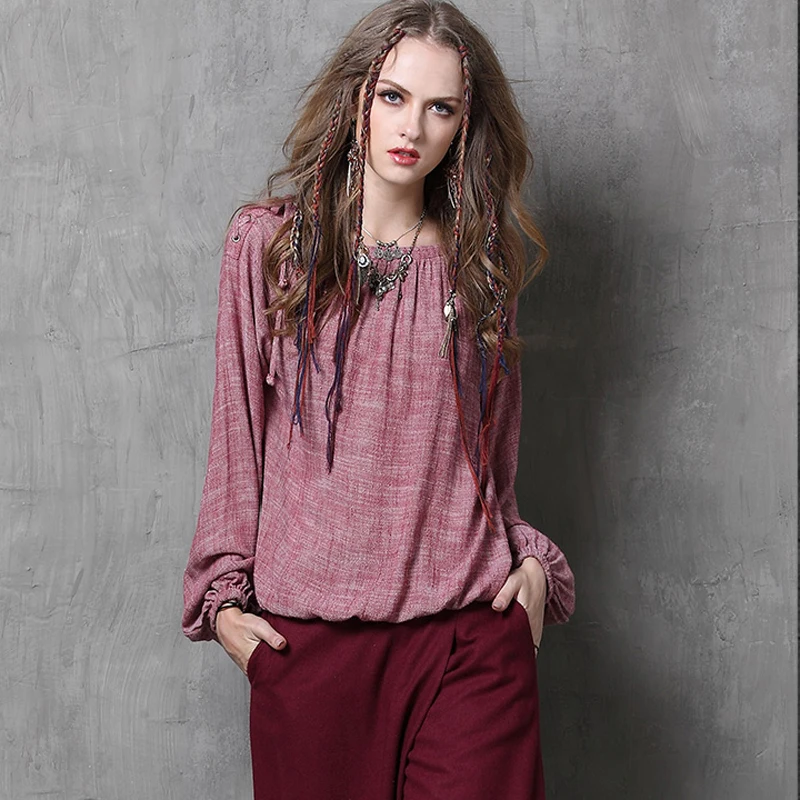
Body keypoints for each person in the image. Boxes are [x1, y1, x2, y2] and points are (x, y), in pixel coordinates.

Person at [182, 1, 575, 797]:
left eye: (441, 108)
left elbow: (490, 465)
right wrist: (224, 604)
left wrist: (531, 570)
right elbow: (236, 438)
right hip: (311, 654)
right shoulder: (268, 248)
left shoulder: (481, 269)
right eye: (393, 96)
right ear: (355, 94)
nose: (412, 128)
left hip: (468, 642)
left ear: (465, 124)